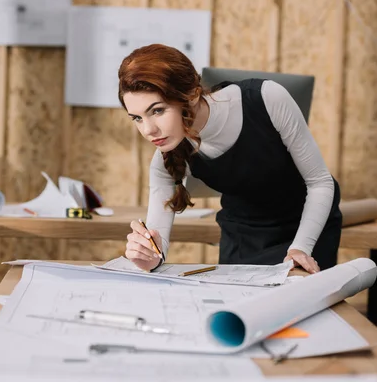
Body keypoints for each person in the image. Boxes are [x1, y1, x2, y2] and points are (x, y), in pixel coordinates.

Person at [118, 43, 342, 274]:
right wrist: (149, 257)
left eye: (157, 111)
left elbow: (320, 183)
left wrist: (300, 249)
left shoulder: (266, 99)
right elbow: (158, 248)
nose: (148, 130)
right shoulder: (165, 159)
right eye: (137, 118)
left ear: (193, 94)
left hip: (306, 230)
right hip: (242, 237)